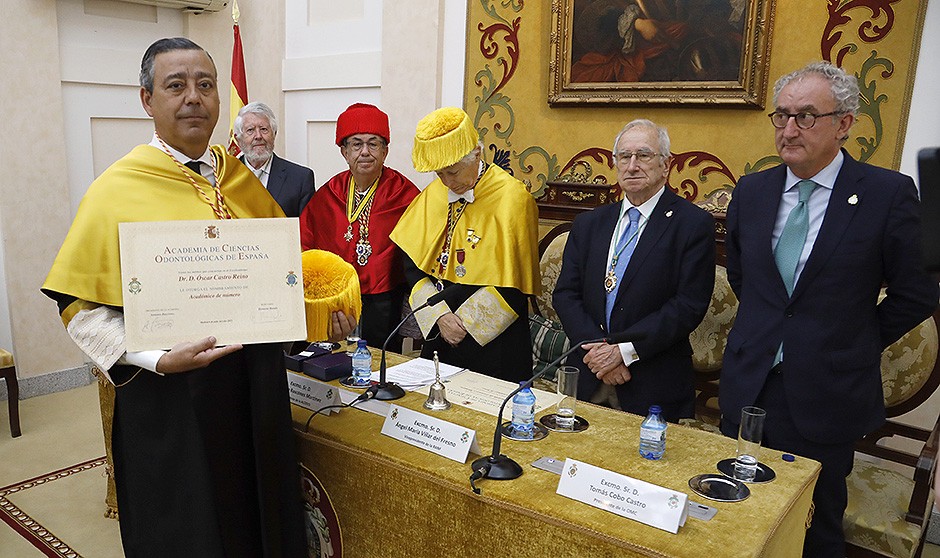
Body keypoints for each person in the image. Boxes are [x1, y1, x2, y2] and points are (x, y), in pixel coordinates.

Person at [41, 38, 305, 557]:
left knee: (257, 516)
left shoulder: (241, 181)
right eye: (176, 86)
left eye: (205, 85)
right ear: (147, 100)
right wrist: (155, 358)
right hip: (170, 397)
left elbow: (280, 277)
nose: (194, 98)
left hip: (254, 388)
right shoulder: (117, 189)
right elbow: (78, 306)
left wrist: (317, 313)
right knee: (187, 529)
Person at [719, 61, 938, 557]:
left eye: (805, 116)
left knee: (814, 527)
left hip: (826, 390)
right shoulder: (752, 191)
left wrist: (852, 337)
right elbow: (744, 276)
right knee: (734, 517)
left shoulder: (887, 194)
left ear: (844, 123)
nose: (789, 129)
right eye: (781, 116)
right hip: (748, 383)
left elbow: (918, 293)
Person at [553, 119, 715, 422]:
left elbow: (688, 305)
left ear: (665, 165)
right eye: (624, 156)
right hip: (588, 375)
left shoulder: (692, 224)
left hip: (652, 382)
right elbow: (565, 294)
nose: (632, 166)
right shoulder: (589, 224)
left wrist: (623, 352)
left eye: (643, 155)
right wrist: (599, 354)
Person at [389, 107, 540, 382]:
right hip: (440, 332)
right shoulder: (435, 194)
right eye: (440, 174)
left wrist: (464, 326)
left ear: (477, 154)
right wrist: (440, 317)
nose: (448, 182)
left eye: (453, 172)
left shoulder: (513, 198)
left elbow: (515, 282)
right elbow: (411, 265)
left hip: (494, 345)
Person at [300, 103, 419, 351]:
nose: (365, 152)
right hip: (337, 301)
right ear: (344, 152)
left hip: (385, 301)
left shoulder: (405, 194)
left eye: (373, 144)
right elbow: (304, 244)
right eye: (356, 144)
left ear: (385, 151)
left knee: (378, 362)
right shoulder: (329, 193)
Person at [234, 101, 315, 217]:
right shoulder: (227, 176)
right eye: (250, 130)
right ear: (239, 140)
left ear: (274, 134)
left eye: (264, 129)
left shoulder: (300, 179)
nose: (258, 136)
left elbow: (308, 225)